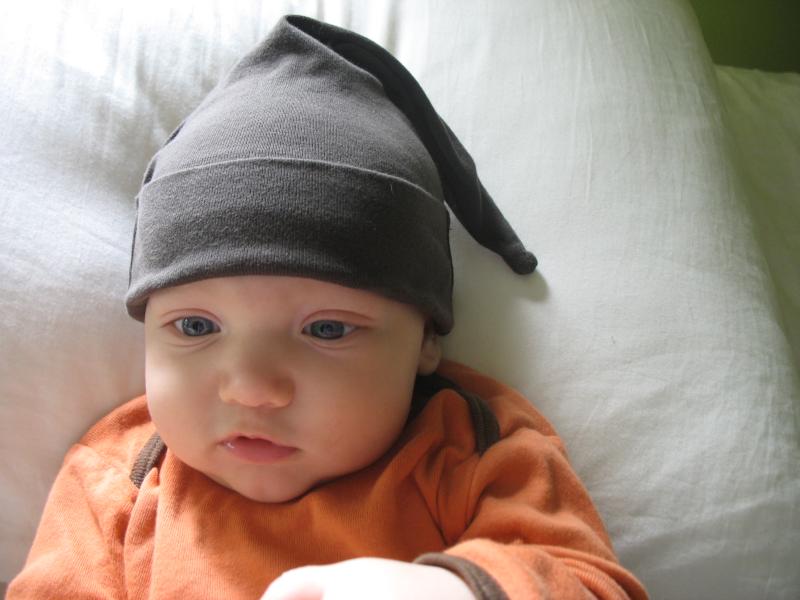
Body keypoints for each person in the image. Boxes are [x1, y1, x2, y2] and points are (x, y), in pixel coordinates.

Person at [8, 15, 648, 600]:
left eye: (328, 329)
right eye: (197, 326)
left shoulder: (466, 446)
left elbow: (589, 583)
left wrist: (454, 590)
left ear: (426, 338)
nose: (253, 389)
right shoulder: (118, 478)